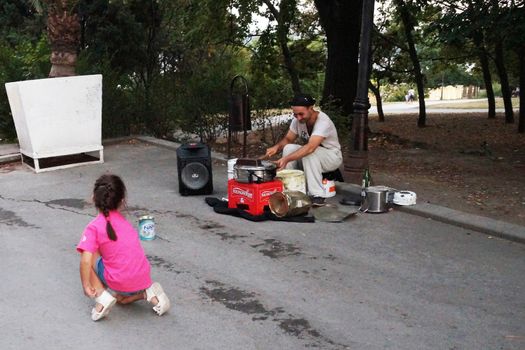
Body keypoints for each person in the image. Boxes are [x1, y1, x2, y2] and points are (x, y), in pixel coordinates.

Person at [76, 174, 170, 321]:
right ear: (121, 201)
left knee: (89, 252)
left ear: (93, 197)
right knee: (122, 297)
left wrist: (86, 285)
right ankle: (148, 294)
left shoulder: (94, 227)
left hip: (119, 282)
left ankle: (102, 297)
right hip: (143, 279)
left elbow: (85, 262)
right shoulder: (124, 222)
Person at [264, 93, 343, 207]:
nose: (298, 118)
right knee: (289, 147)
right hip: (313, 157)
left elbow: (310, 148)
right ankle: (290, 188)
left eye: (301, 114)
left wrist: (285, 159)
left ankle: (317, 195)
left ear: (311, 108)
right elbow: (288, 139)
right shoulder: (297, 120)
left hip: (332, 157)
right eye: (295, 115)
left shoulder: (323, 121)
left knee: (309, 152)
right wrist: (277, 147)